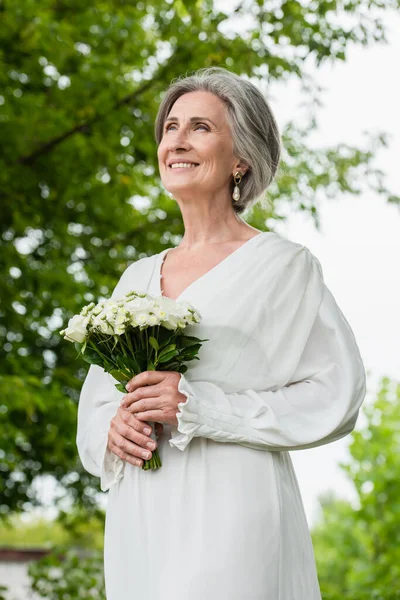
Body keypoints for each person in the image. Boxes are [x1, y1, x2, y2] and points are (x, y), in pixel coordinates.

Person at [76, 66, 366, 600]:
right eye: (170, 127)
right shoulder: (137, 276)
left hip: (233, 507)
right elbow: (96, 407)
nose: (177, 140)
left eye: (200, 127)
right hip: (141, 513)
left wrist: (200, 406)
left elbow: (336, 394)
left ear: (242, 158)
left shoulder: (284, 267)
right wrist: (111, 432)